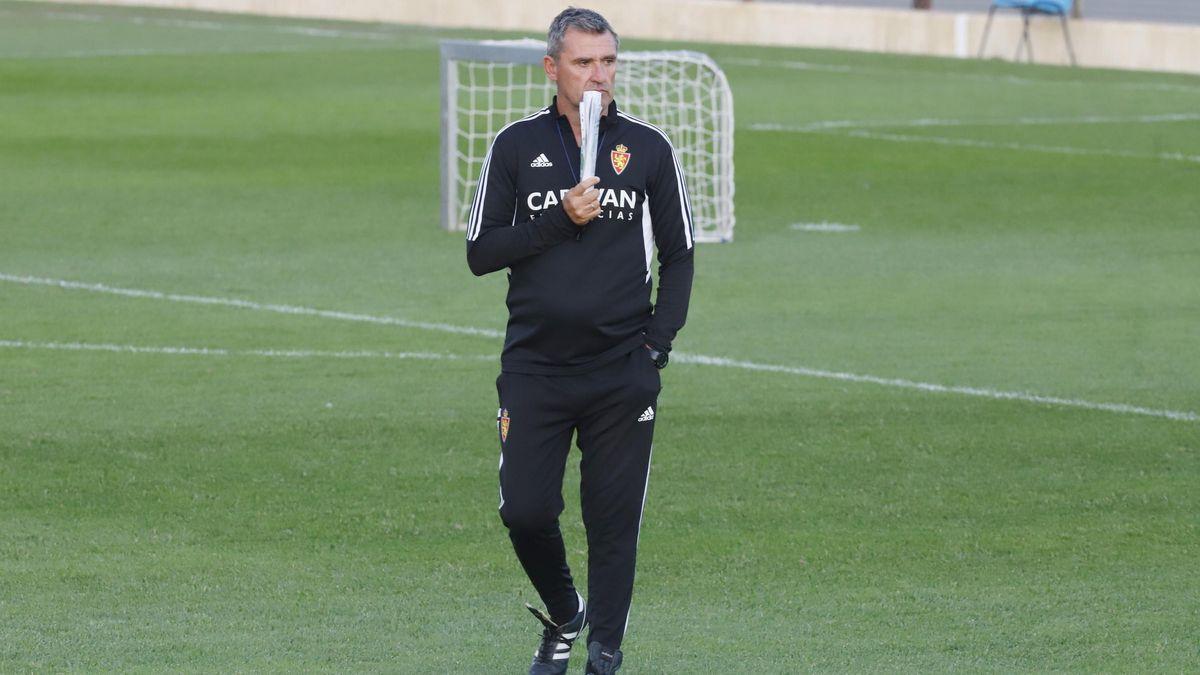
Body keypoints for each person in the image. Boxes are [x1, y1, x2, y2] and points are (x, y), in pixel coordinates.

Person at [465, 7, 695, 673]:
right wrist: (561, 219)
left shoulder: (648, 148)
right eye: (583, 62)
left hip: (622, 370)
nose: (599, 75)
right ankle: (566, 612)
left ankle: (604, 654)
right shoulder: (516, 145)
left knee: (613, 523)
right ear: (552, 67)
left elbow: (679, 255)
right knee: (525, 510)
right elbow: (482, 252)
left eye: (608, 61)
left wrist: (657, 347)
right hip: (535, 368)